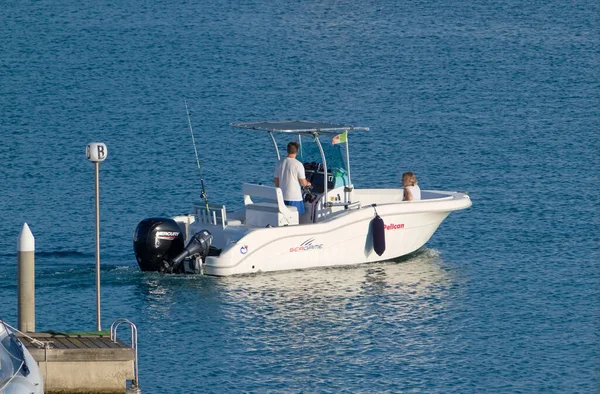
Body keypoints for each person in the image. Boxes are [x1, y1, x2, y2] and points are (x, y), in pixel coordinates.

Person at [274, 141, 311, 215]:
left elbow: (276, 180)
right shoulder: (298, 164)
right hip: (294, 198)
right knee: (296, 217)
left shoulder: (279, 162)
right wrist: (308, 183)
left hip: (282, 197)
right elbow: (303, 183)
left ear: (287, 150)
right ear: (297, 151)